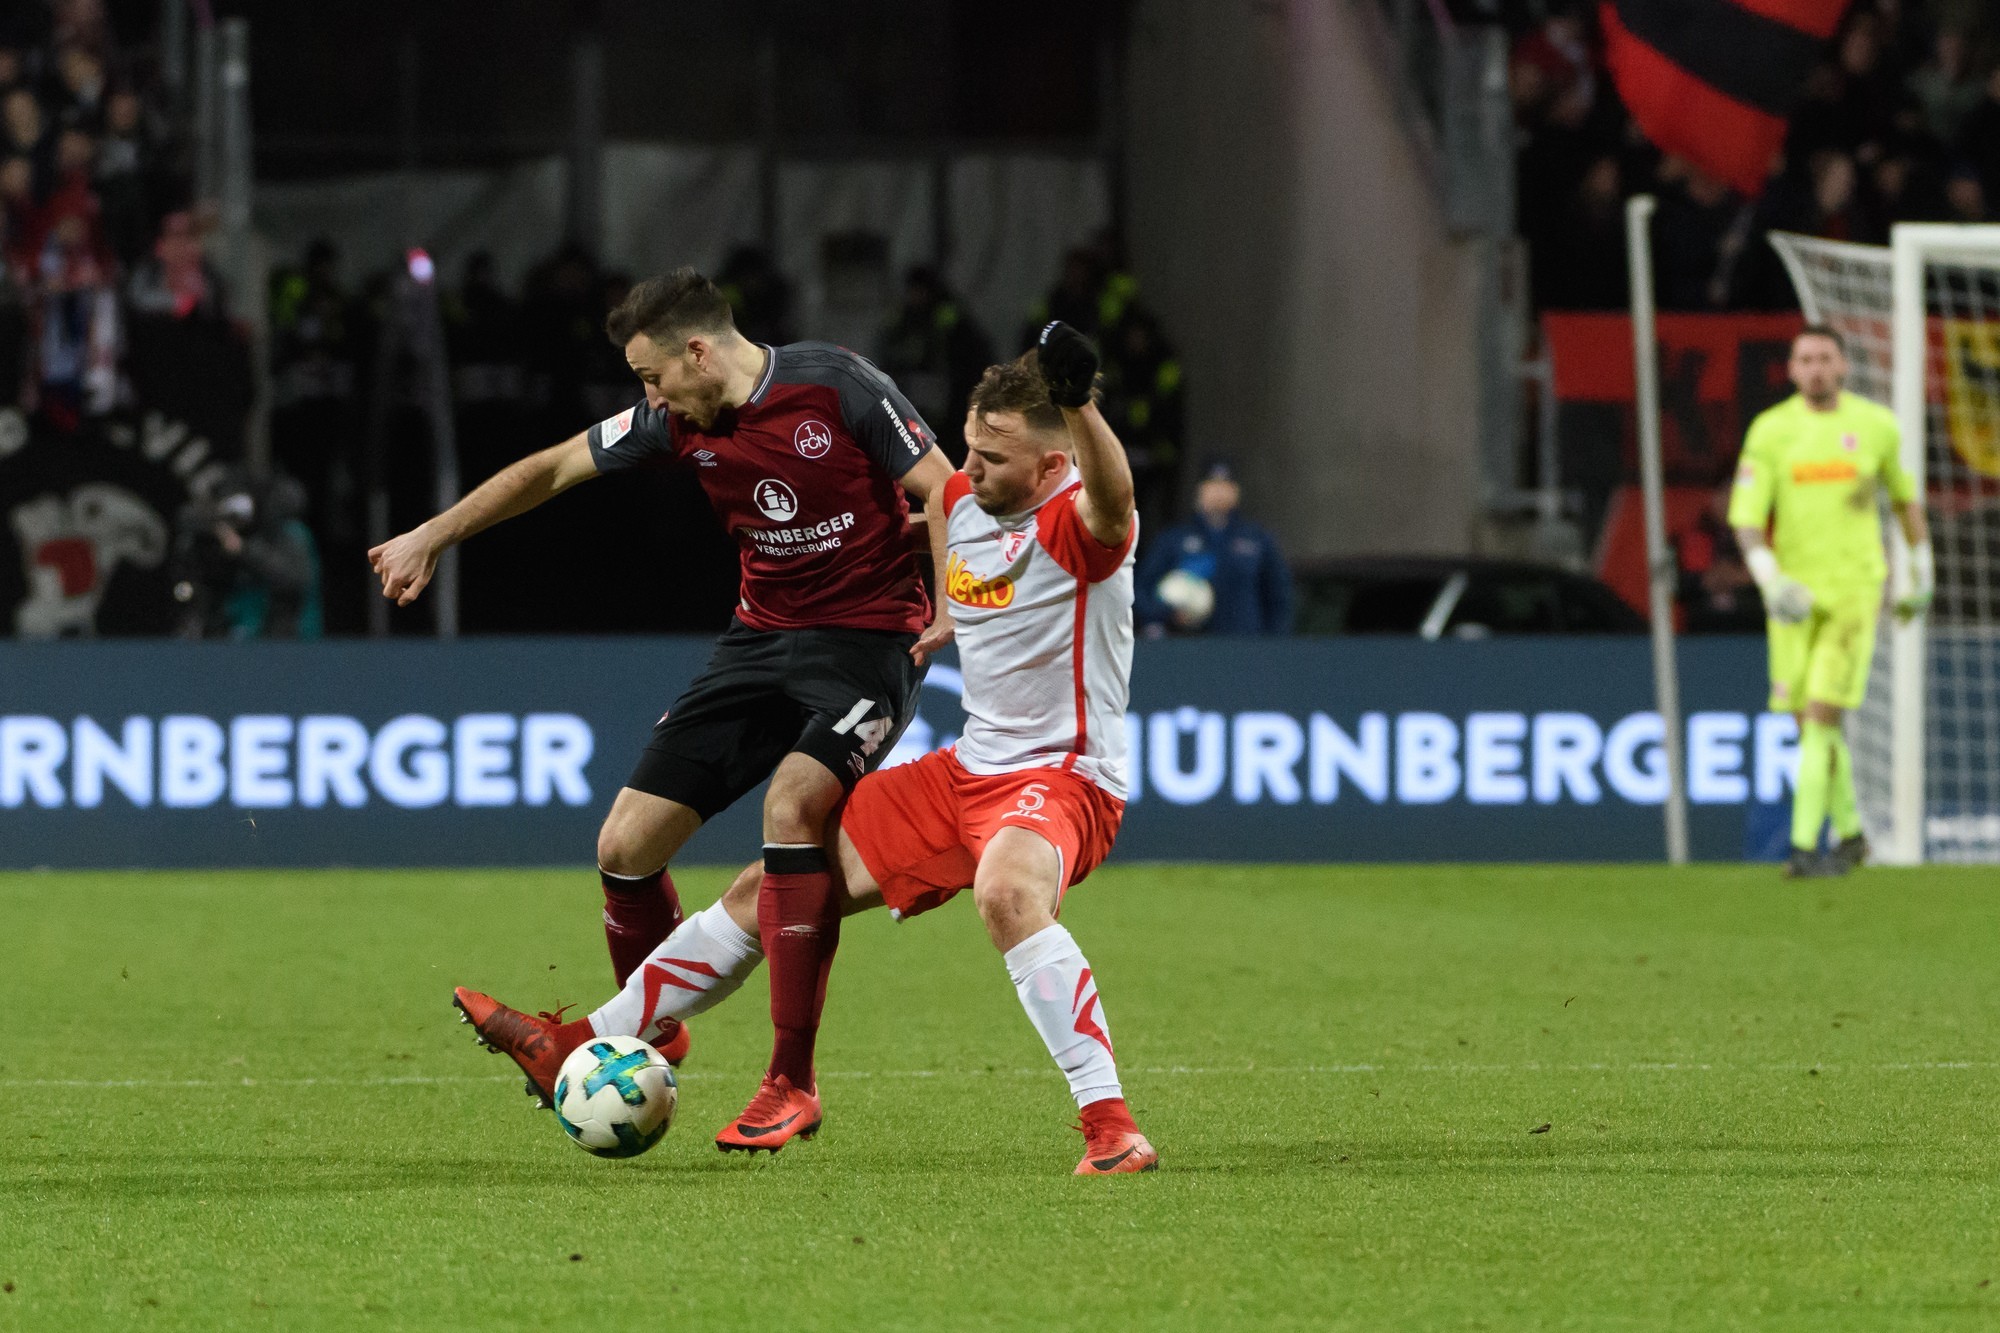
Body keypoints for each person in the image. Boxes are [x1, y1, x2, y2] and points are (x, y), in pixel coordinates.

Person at [454, 324, 1159, 1174]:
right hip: (967, 771)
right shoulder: (961, 500)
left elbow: (1114, 500)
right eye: (968, 447)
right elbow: (933, 527)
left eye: (992, 458)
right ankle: (579, 1041)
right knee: (769, 892)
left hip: (1063, 774)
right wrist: (878, 565)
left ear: (1051, 465)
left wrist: (1080, 405)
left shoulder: (1081, 522)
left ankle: (1112, 1127)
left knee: (1007, 892)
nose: (966, 469)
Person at [372, 268, 957, 1086]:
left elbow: (945, 486)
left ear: (698, 353)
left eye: (653, 377)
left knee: (790, 805)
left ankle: (788, 1079)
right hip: (758, 642)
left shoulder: (838, 384)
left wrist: (951, 601)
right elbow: (552, 468)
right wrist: (433, 534)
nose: (650, 398)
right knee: (624, 844)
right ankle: (652, 1026)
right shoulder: (672, 421)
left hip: (868, 644)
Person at [1729, 325, 1932, 878]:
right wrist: (1770, 579)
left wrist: (1922, 568)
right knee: (1809, 726)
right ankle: (1852, 835)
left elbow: (1905, 500)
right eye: (1806, 359)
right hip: (1793, 598)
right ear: (1792, 370)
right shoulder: (1771, 430)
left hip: (1853, 592)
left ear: (1843, 366)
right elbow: (1746, 517)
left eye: (1825, 358)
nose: (1816, 368)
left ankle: (1802, 849)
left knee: (1820, 718)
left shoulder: (1876, 426)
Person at [1135, 459, 1292, 635]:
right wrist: (1165, 613)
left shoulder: (1257, 539)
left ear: (1236, 491)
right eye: (1212, 485)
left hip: (1244, 644)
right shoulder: (1174, 539)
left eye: (1225, 485)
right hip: (1186, 643)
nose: (1218, 492)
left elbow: (1279, 596)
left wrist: (1273, 642)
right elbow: (1141, 590)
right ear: (1200, 490)